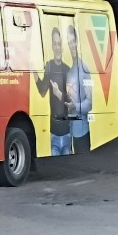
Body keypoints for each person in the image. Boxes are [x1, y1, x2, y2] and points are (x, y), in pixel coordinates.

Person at [34, 27, 71, 156]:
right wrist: (34, 71)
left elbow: (71, 101)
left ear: (62, 47)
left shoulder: (67, 70)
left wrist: (58, 93)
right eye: (54, 44)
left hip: (67, 132)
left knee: (68, 168)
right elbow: (42, 91)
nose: (57, 47)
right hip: (54, 132)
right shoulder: (49, 66)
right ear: (52, 46)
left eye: (59, 44)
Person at [65, 25, 93, 154]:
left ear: (77, 42)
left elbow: (89, 103)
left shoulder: (84, 68)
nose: (71, 45)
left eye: (73, 41)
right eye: (69, 42)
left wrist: (75, 106)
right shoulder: (70, 70)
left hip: (82, 131)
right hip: (71, 131)